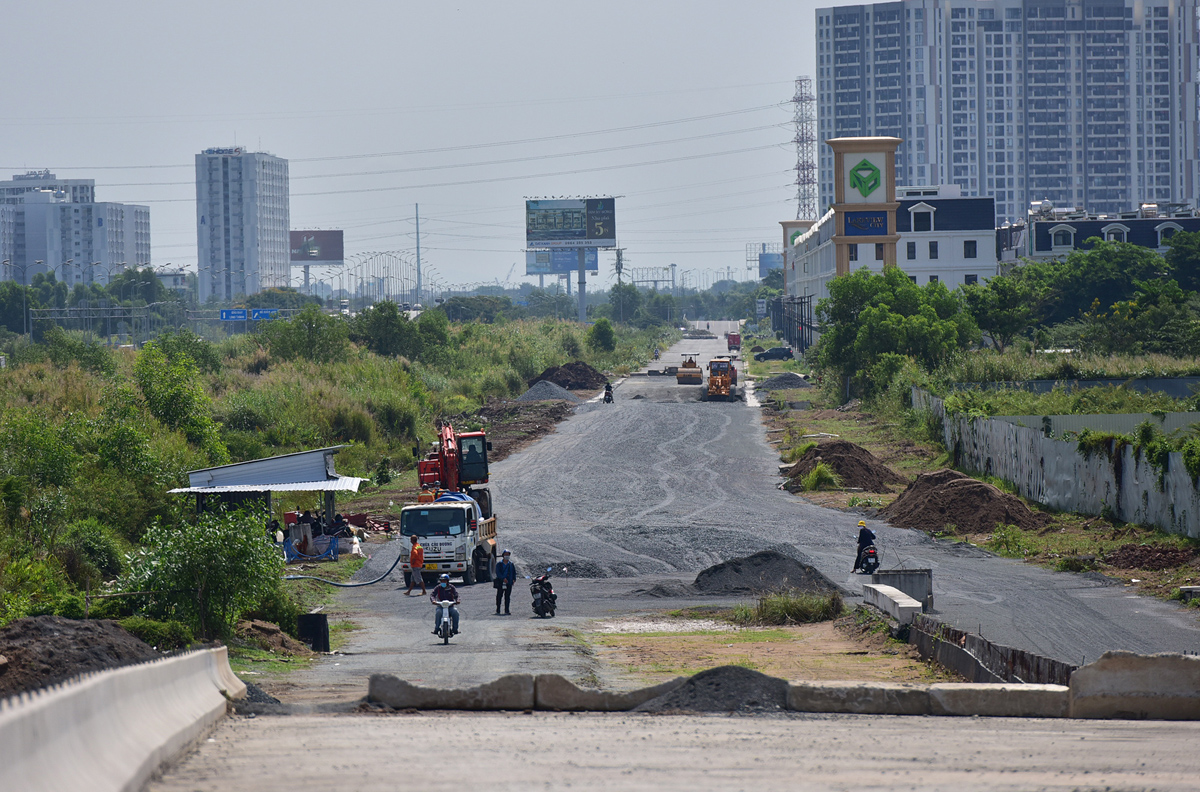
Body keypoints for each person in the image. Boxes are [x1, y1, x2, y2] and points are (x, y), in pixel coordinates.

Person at [494, 549, 516, 615]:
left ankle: (507, 610)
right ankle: (498, 609)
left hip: (509, 583)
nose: (507, 556)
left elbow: (514, 572)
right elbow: (498, 573)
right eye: (506, 555)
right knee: (499, 596)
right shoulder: (499, 564)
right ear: (503, 555)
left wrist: (514, 579)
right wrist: (503, 579)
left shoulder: (511, 564)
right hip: (501, 582)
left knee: (507, 596)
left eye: (508, 555)